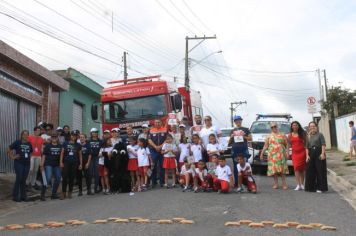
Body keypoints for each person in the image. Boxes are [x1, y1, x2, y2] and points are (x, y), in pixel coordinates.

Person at [260, 122, 289, 190]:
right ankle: (276, 184)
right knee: (274, 170)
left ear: (277, 126)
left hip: (281, 154)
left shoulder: (283, 134)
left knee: (282, 169)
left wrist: (287, 152)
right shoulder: (269, 136)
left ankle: (284, 184)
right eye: (272, 127)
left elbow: (287, 144)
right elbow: (266, 146)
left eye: (275, 126)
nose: (274, 128)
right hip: (272, 155)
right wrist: (262, 153)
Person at [7, 130, 33, 202]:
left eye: (27, 134)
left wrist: (29, 159)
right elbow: (8, 149)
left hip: (27, 164)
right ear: (21, 135)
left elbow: (31, 152)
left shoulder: (29, 143)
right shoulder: (17, 142)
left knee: (24, 180)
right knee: (19, 178)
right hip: (19, 163)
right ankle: (15, 196)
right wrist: (12, 157)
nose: (26, 136)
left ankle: (23, 196)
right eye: (24, 134)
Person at [228, 115, 252, 186]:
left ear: (241, 120)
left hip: (244, 150)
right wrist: (231, 137)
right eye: (236, 120)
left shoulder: (246, 129)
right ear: (234, 122)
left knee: (245, 166)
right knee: (236, 167)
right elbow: (229, 143)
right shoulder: (232, 130)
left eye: (239, 120)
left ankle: (247, 182)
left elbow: (250, 139)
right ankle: (237, 183)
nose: (238, 121)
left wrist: (243, 136)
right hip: (235, 150)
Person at [305, 121, 328, 193]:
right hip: (311, 153)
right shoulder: (308, 136)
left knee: (320, 170)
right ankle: (311, 187)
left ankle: (321, 188)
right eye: (311, 126)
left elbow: (323, 144)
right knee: (310, 171)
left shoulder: (320, 135)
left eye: (313, 126)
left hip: (319, 153)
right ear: (309, 127)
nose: (312, 127)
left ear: (316, 127)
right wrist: (307, 155)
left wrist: (323, 153)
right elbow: (306, 147)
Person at [60, 130, 82, 200]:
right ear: (70, 136)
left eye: (75, 136)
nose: (73, 137)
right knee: (65, 177)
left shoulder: (78, 145)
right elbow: (62, 153)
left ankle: (70, 192)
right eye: (72, 135)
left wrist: (81, 164)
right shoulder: (65, 143)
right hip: (66, 162)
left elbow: (80, 155)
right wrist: (61, 162)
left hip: (74, 163)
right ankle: (63, 193)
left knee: (72, 178)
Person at [40, 132, 62, 200]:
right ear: (51, 138)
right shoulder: (48, 146)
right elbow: (44, 155)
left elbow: (62, 155)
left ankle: (54, 194)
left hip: (57, 165)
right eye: (53, 137)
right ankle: (42, 194)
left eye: (55, 137)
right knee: (47, 178)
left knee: (58, 178)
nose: (54, 138)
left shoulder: (60, 146)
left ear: (57, 138)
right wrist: (42, 164)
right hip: (48, 164)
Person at [148, 119, 167, 187]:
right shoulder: (151, 130)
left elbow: (166, 139)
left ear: (161, 123)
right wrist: (155, 147)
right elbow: (149, 140)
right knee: (153, 166)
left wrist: (161, 146)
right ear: (154, 123)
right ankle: (153, 181)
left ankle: (162, 181)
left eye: (159, 122)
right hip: (153, 150)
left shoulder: (165, 129)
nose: (157, 123)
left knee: (162, 166)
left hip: (162, 150)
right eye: (156, 122)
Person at [289, 121, 307, 191]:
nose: (294, 126)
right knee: (296, 168)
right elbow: (289, 144)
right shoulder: (290, 135)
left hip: (302, 153)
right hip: (295, 154)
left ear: (298, 126)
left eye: (296, 125)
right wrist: (288, 152)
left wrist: (307, 153)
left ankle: (302, 184)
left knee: (302, 170)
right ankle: (298, 185)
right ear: (291, 127)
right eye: (293, 125)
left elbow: (306, 143)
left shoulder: (303, 134)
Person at [27, 126, 43, 190]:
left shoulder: (41, 138)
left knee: (36, 170)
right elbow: (27, 145)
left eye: (39, 131)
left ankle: (33, 184)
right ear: (34, 131)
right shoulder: (30, 137)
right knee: (30, 169)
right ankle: (27, 183)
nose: (38, 132)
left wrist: (42, 153)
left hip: (38, 156)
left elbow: (41, 147)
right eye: (37, 130)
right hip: (32, 155)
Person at [88, 128, 103, 194]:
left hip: (97, 158)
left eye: (96, 132)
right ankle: (89, 189)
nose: (95, 133)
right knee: (90, 174)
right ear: (91, 133)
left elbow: (102, 148)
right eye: (93, 132)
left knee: (97, 173)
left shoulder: (100, 141)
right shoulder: (88, 141)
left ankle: (95, 188)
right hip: (90, 158)